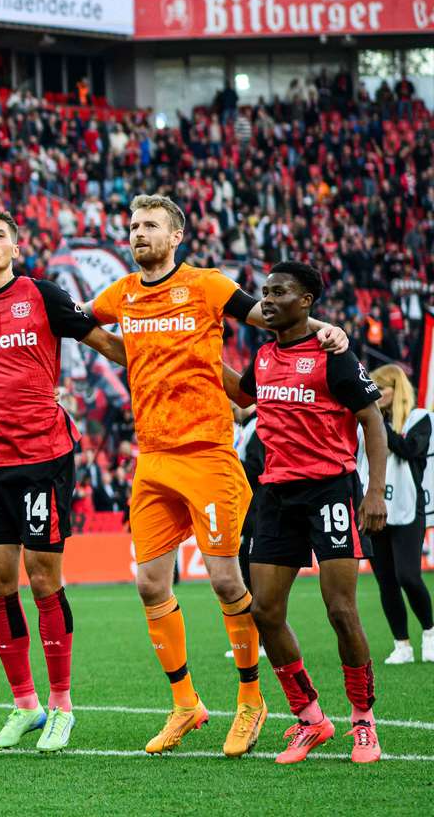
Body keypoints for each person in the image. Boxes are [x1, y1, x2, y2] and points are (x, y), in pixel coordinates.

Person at [88, 194, 347, 757]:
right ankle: (187, 704)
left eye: (150, 225)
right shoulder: (121, 294)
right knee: (150, 583)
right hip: (152, 456)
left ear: (175, 235)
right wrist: (123, 353)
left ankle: (251, 701)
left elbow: (269, 314)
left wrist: (326, 328)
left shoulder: (206, 285)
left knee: (228, 581)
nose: (137, 233)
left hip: (207, 451)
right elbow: (84, 323)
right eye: (132, 225)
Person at [0, 210, 127, 753]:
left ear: (15, 246)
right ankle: (24, 705)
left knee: (44, 579)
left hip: (43, 455)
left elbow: (105, 344)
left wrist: (162, 363)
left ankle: (61, 705)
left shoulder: (43, 295)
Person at [225, 262, 387, 764]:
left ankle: (363, 722)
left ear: (307, 301)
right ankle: (310, 719)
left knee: (340, 610)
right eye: (265, 292)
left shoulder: (333, 353)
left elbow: (372, 421)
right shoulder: (265, 354)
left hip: (330, 491)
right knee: (264, 610)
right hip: (275, 495)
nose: (267, 299)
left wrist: (375, 492)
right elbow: (243, 398)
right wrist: (198, 355)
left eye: (279, 292)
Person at [362, 364, 432, 664]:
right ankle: (401, 643)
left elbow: (410, 450)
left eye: (381, 388)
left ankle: (429, 632)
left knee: (409, 576)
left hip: (407, 507)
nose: (376, 394)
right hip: (374, 510)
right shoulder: (365, 421)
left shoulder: (419, 418)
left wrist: (379, 425)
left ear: (396, 389)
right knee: (386, 581)